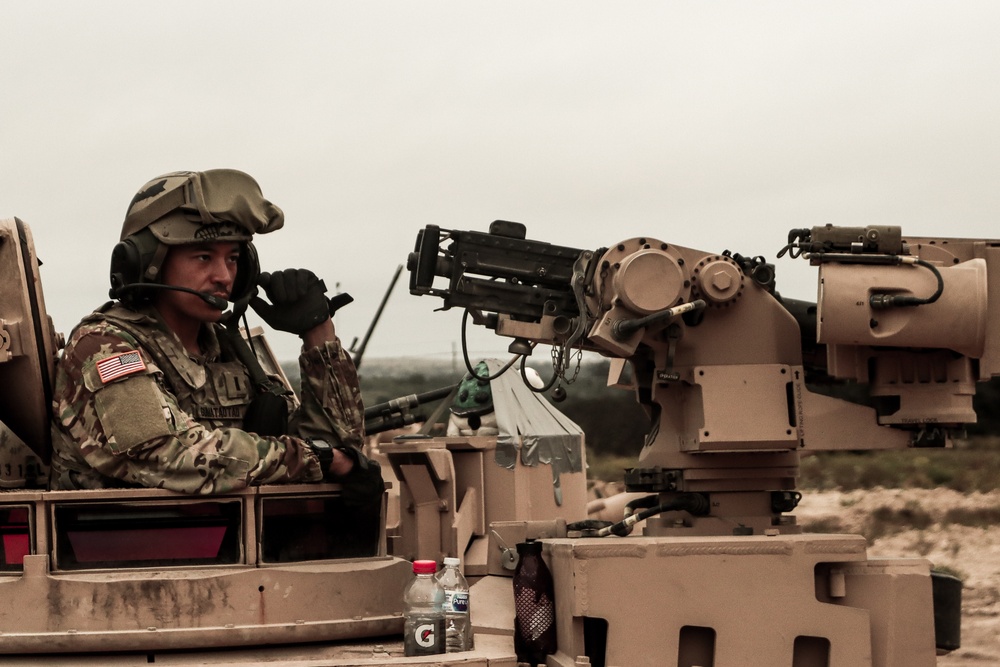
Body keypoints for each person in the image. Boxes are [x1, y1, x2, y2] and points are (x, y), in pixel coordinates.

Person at [49, 169, 381, 503]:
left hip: (232, 543)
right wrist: (317, 459)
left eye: (233, 258)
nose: (224, 277)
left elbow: (340, 449)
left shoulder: (227, 349)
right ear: (149, 262)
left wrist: (317, 332)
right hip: (118, 545)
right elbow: (168, 453)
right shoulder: (102, 345)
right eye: (204, 256)